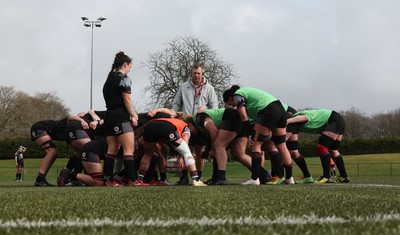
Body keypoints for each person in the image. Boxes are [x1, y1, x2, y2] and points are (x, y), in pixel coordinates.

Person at [223, 85, 294, 185]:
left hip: (268, 111)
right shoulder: (247, 92)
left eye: (230, 104)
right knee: (282, 146)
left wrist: (248, 130)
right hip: (280, 109)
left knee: (256, 145)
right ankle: (289, 178)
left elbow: (243, 115)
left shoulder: (237, 95)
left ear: (230, 98)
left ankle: (255, 179)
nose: (233, 106)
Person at [172, 64, 219, 185]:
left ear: (202, 73)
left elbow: (214, 107)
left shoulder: (209, 88)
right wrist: (176, 115)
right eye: (194, 73)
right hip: (186, 122)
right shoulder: (183, 86)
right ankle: (183, 177)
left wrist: (207, 112)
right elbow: (176, 102)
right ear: (191, 73)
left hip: (200, 123)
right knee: (184, 148)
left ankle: (198, 176)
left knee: (199, 150)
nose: (197, 75)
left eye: (199, 73)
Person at [132, 117, 207, 186]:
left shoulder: (171, 120)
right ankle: (196, 180)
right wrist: (180, 157)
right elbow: (186, 143)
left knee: (148, 154)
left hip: (149, 127)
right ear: (190, 125)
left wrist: (160, 156)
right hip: (165, 127)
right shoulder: (186, 126)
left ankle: (139, 180)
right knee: (187, 152)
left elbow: (155, 145)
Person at [102, 51, 138, 186]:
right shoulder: (124, 78)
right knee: (129, 149)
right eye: (130, 67)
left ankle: (108, 180)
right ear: (125, 64)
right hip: (121, 117)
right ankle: (133, 180)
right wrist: (133, 114)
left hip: (109, 117)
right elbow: (127, 98)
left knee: (112, 149)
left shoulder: (108, 79)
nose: (129, 70)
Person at [287, 109, 350, 183]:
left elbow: (305, 118)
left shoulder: (295, 118)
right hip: (337, 120)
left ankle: (326, 177)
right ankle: (344, 177)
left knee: (321, 148)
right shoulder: (294, 125)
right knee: (333, 151)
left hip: (333, 119)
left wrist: (287, 121)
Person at [30, 115, 84, 186]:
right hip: (40, 128)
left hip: (46, 130)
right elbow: (71, 117)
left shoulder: (75, 133)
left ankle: (68, 176)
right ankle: (40, 180)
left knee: (80, 152)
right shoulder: (76, 123)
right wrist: (83, 121)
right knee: (52, 152)